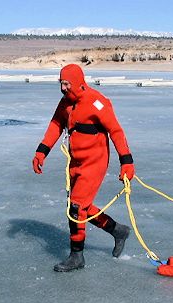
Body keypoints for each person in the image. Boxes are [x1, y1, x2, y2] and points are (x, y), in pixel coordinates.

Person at [32, 64, 135, 272]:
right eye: (60, 83)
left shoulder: (97, 102)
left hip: (94, 163)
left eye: (66, 84)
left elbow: (116, 131)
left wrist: (127, 161)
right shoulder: (65, 104)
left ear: (77, 83)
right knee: (83, 208)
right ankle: (118, 230)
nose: (62, 88)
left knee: (77, 208)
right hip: (75, 162)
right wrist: (41, 152)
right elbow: (54, 126)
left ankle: (76, 256)